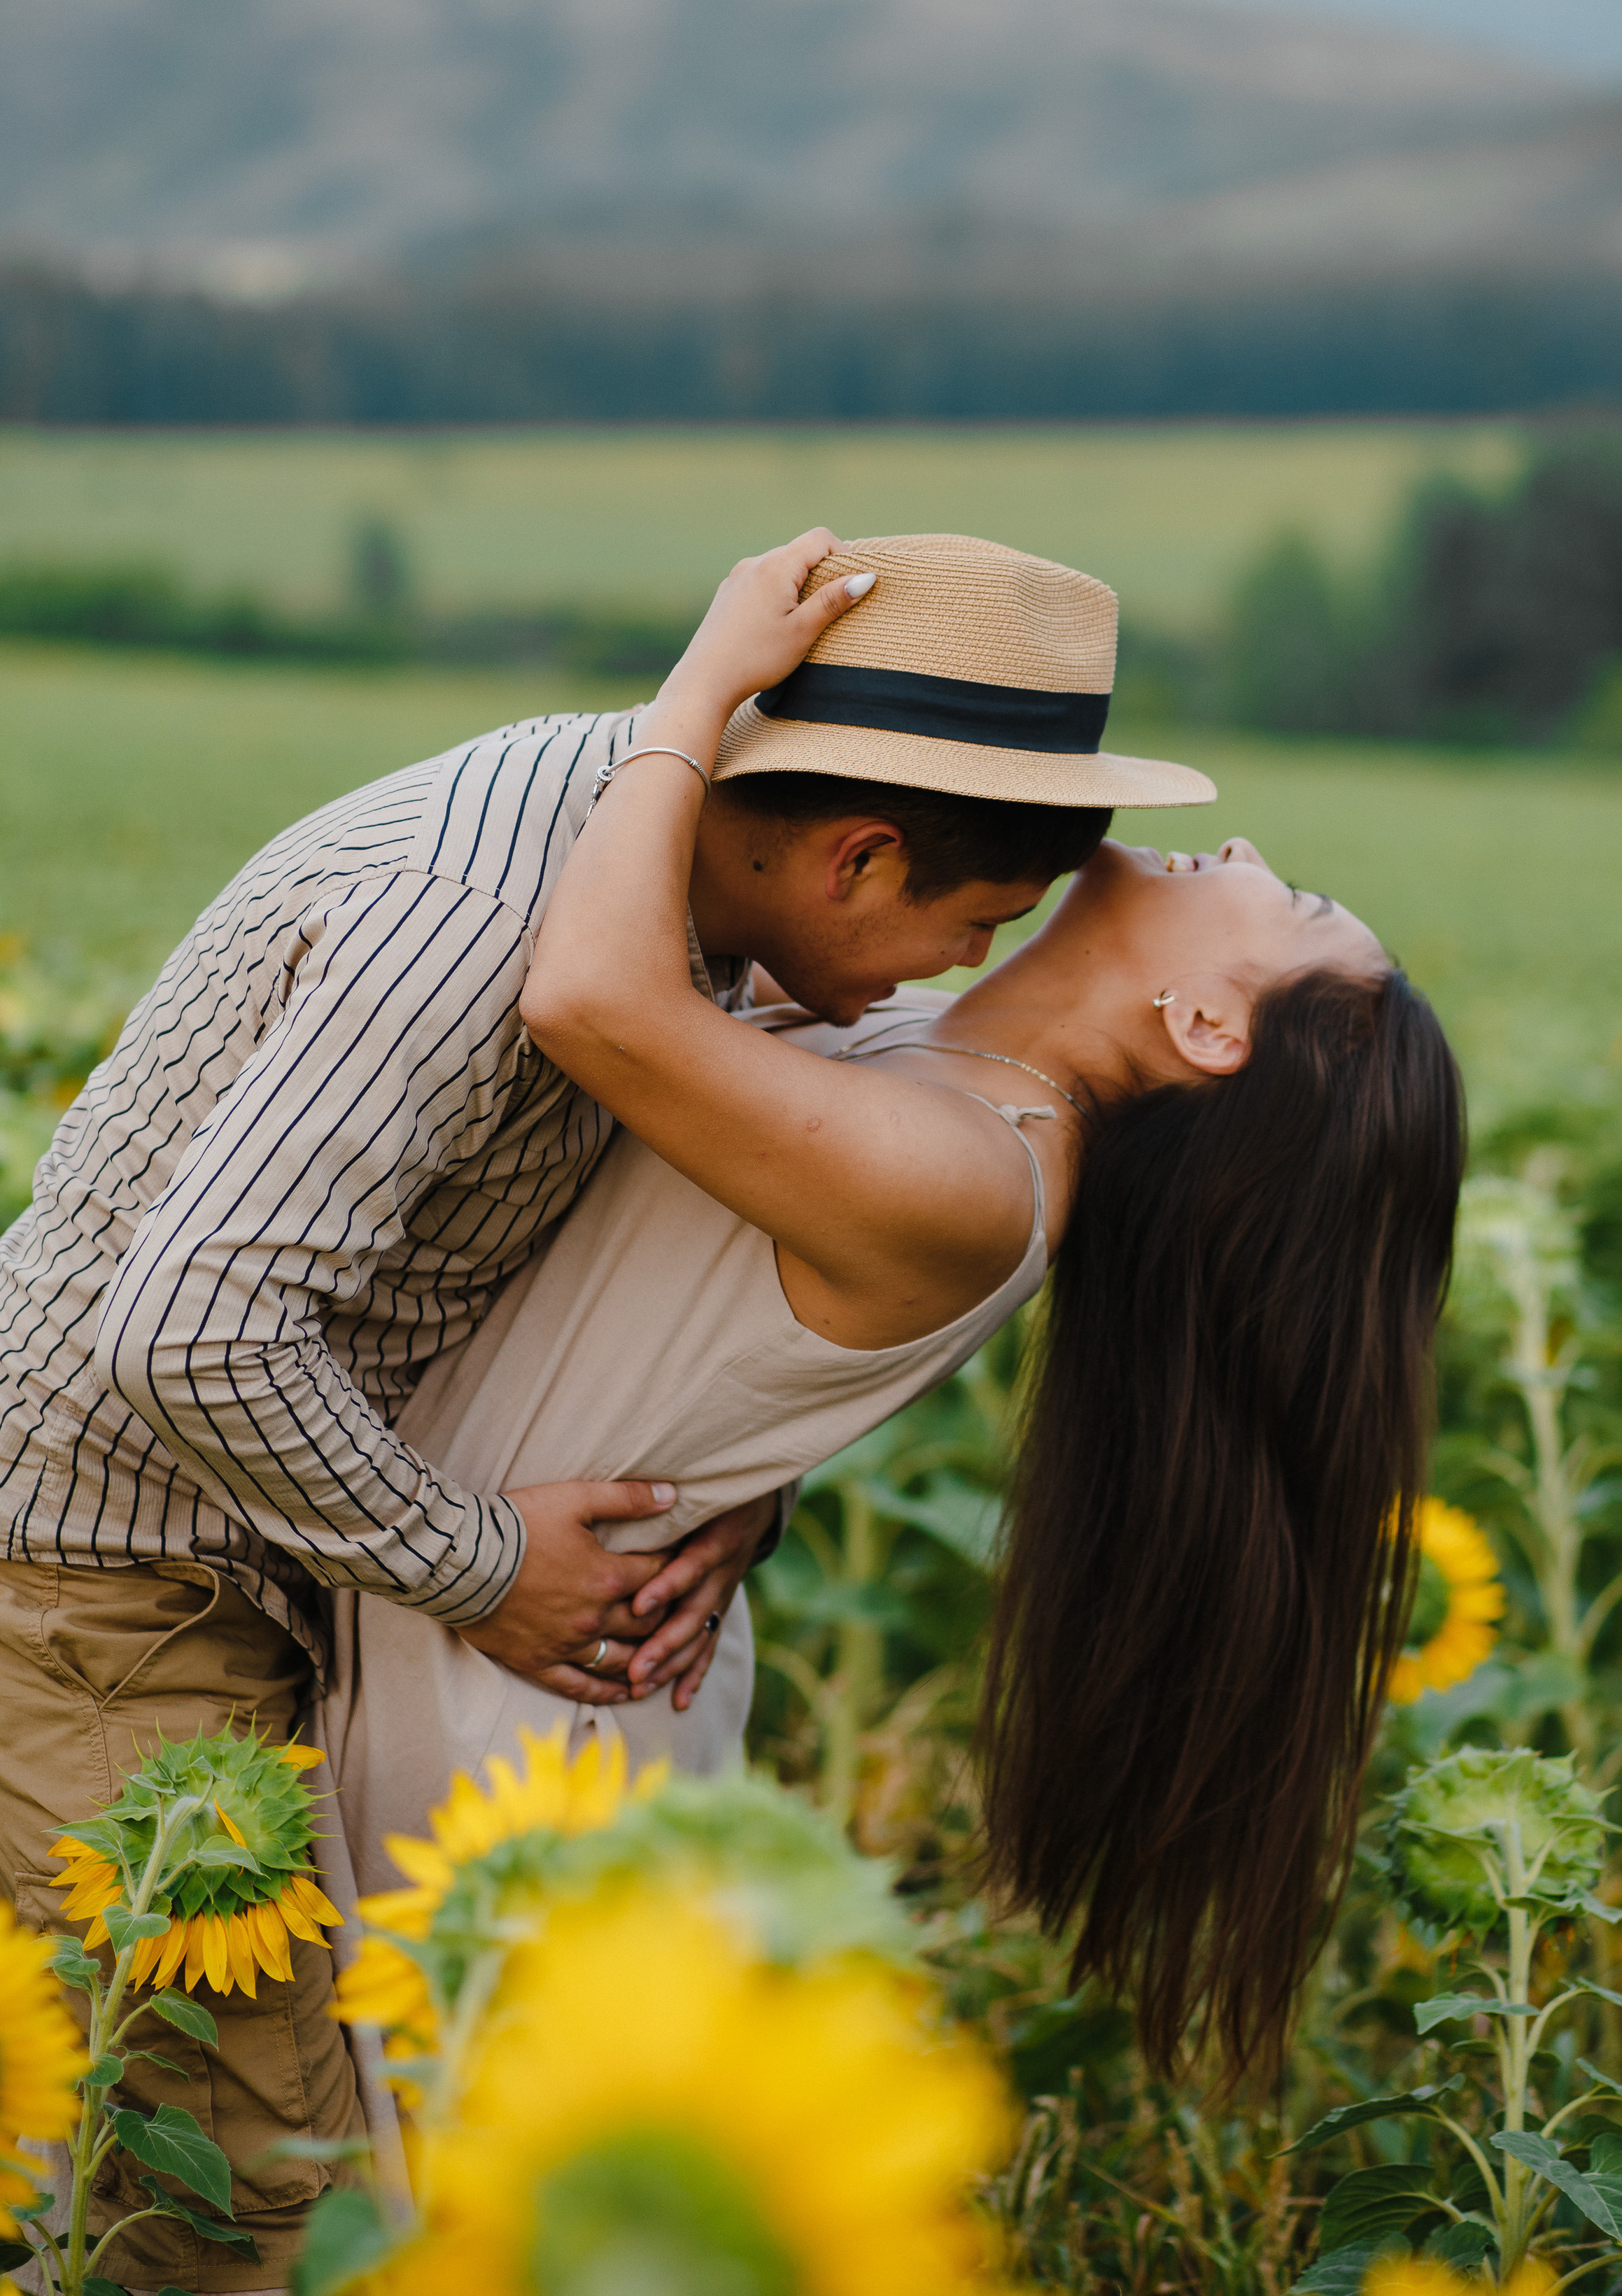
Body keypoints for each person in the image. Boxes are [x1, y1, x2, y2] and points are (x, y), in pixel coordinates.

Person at [0, 527, 1209, 2288]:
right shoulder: (475, 913)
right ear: (858, 849)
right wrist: (484, 1565)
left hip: (224, 1555)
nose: (941, 977)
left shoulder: (690, 881)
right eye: (968, 923)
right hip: (107, 1582)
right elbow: (189, 1333)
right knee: (224, 2187)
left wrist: (739, 1479)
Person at [334, 529, 1466, 2092]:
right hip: (461, 1602)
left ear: (1208, 1026)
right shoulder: (947, 1057)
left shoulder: (968, 1176)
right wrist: (752, 1478)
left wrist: (704, 688)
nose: (1247, 857)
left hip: (510, 1706)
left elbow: (596, 999)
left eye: (1298, 902)